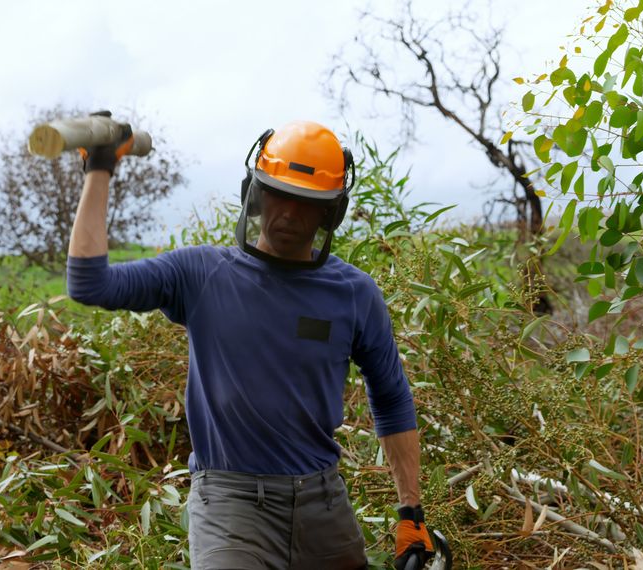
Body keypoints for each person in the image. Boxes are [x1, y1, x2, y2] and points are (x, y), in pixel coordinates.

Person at [67, 114, 439, 569]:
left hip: (323, 503)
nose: (289, 213)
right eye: (278, 196)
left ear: (331, 212)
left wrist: (411, 514)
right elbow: (91, 284)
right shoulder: (199, 274)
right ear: (254, 193)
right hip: (230, 503)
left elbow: (392, 397)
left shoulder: (355, 293)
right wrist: (99, 169)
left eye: (307, 203)